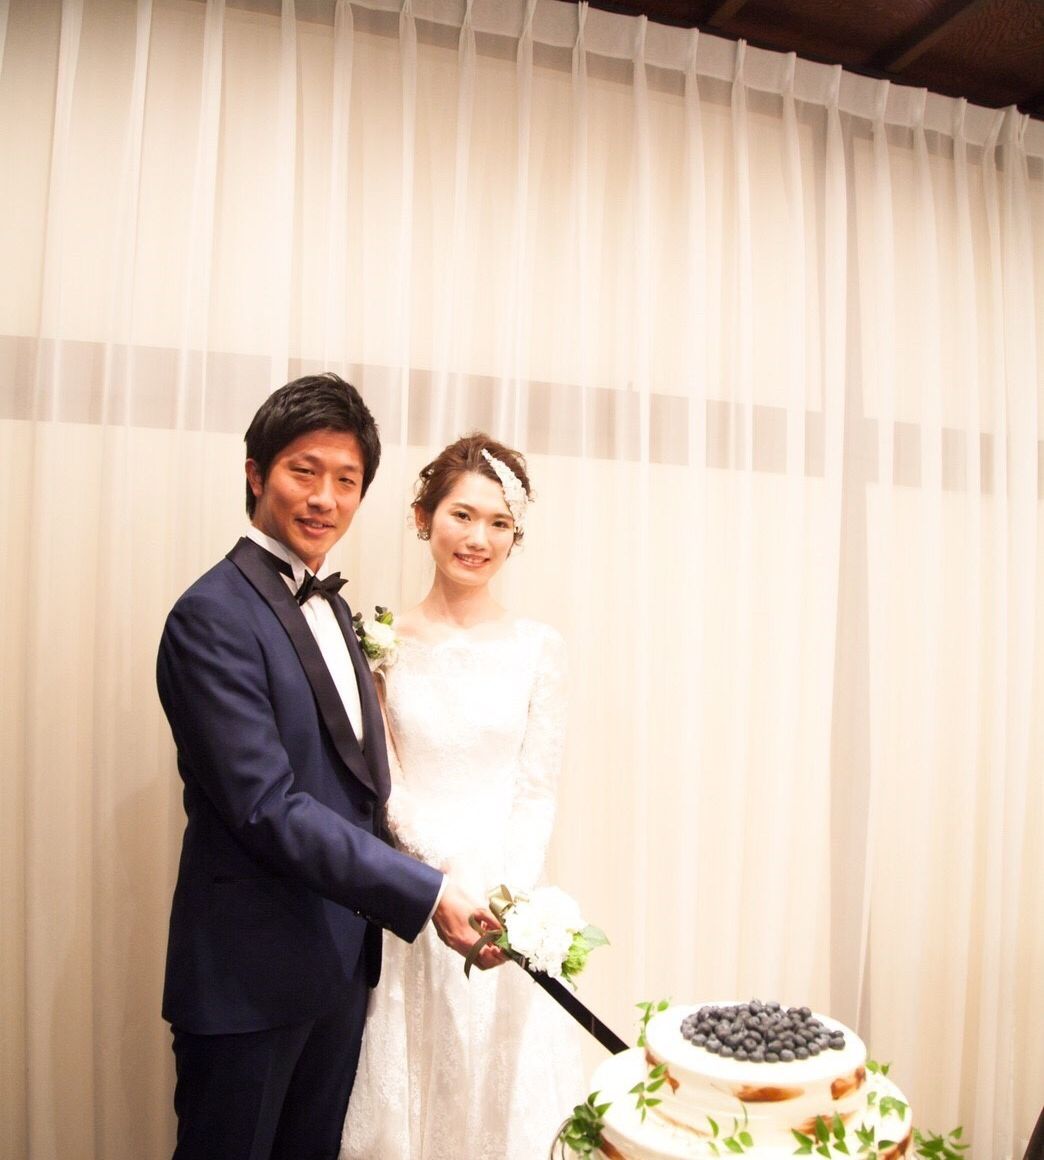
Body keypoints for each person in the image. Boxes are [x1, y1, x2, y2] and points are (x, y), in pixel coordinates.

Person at [156, 375, 504, 1160]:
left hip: (339, 975)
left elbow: (360, 789)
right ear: (256, 474)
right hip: (247, 985)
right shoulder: (212, 616)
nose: (325, 498)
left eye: (347, 480)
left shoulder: (339, 610)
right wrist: (427, 894)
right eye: (303, 471)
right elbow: (266, 807)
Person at [341, 434, 582, 1160]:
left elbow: (537, 788)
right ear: (424, 518)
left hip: (506, 903)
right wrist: (446, 879)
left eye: (500, 523)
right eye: (463, 515)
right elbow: (386, 785)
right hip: (417, 896)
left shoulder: (540, 648)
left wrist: (505, 895)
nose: (479, 539)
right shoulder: (378, 641)